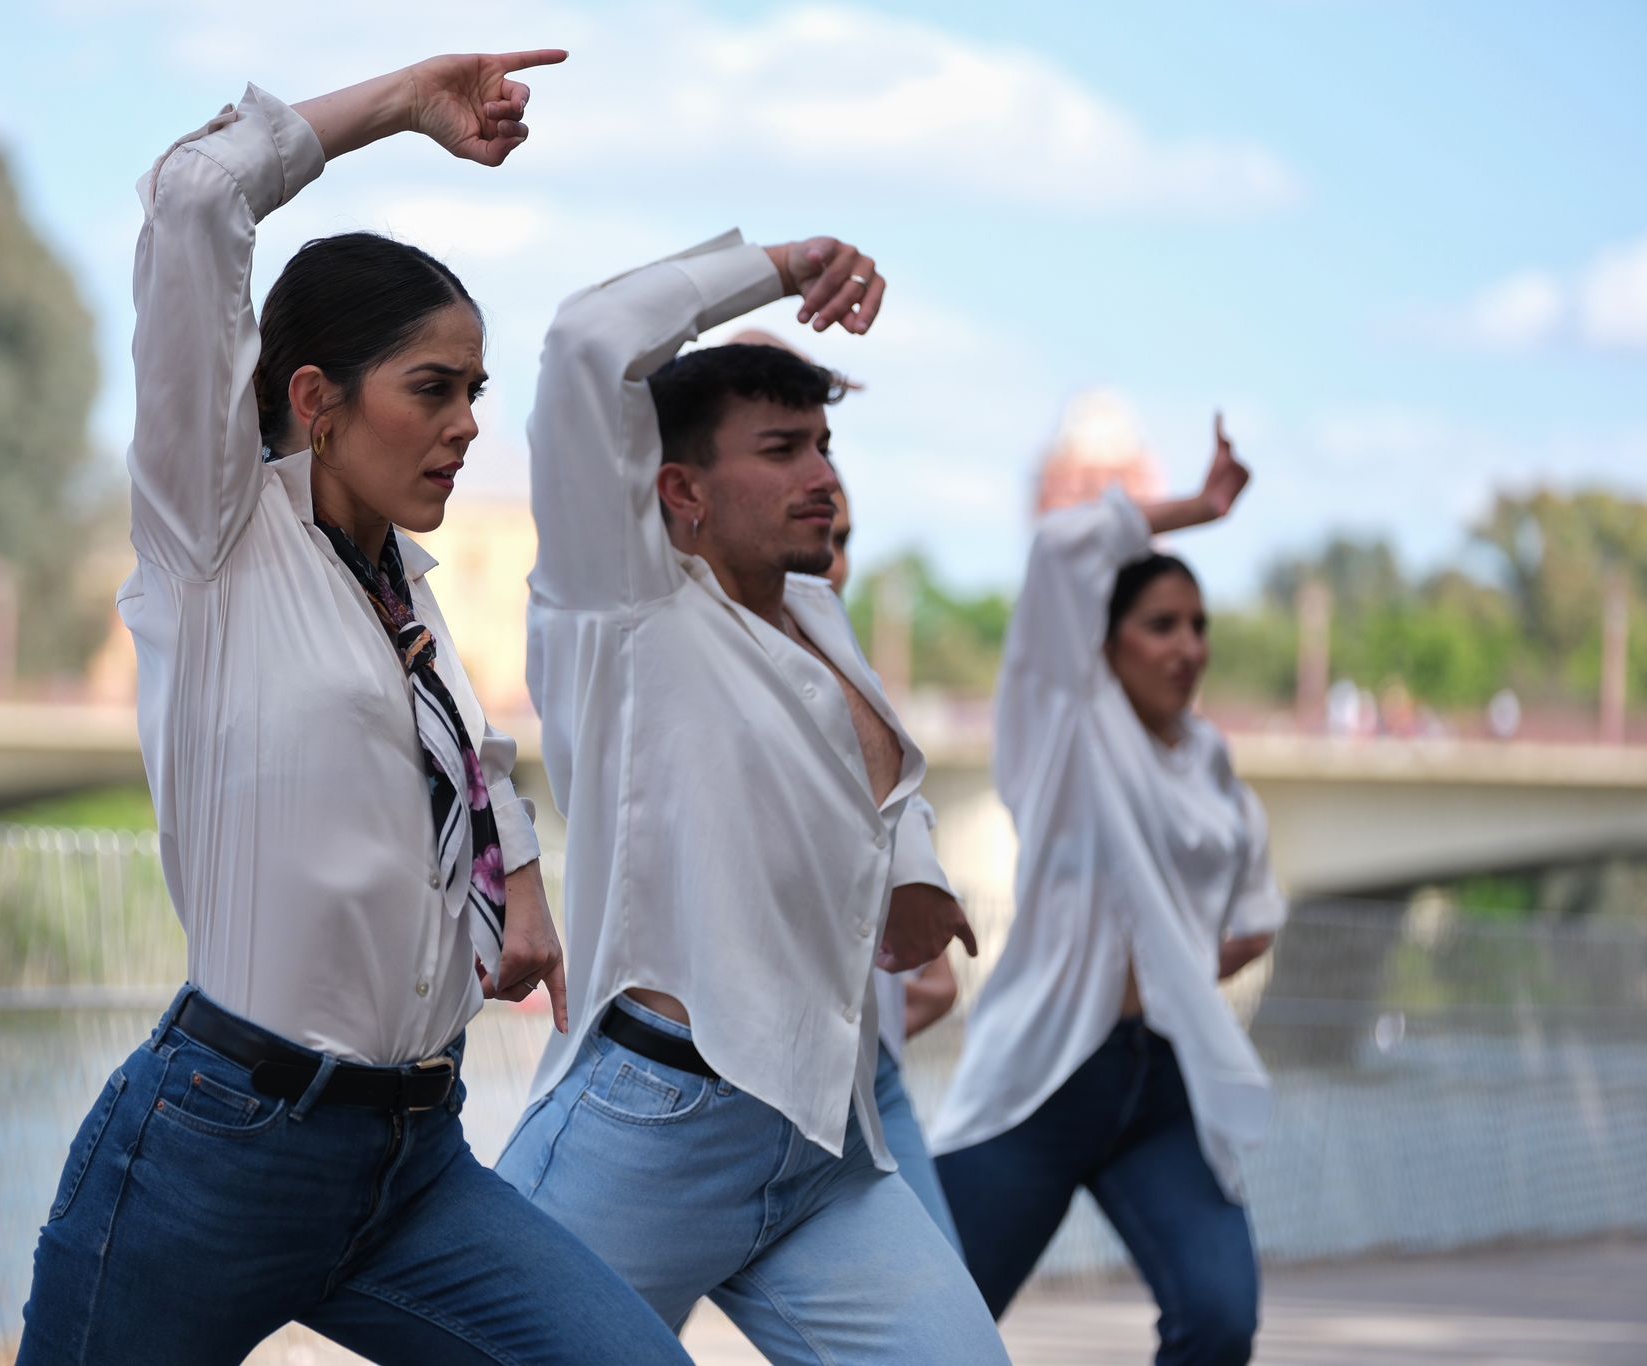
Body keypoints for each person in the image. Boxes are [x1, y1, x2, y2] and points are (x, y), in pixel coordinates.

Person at [17, 55, 688, 1365]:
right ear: (316, 400)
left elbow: (472, 751)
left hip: (409, 1165)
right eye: (433, 387)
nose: (466, 425)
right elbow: (196, 196)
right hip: (217, 1151)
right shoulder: (215, 542)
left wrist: (528, 882)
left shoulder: (403, 592)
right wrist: (399, 108)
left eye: (476, 392)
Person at [496, 232, 1008, 1363]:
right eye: (781, 449)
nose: (822, 475)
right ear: (677, 489)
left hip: (819, 1144)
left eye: (823, 445)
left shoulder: (814, 614)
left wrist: (915, 880)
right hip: (651, 1126)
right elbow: (586, 341)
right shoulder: (620, 605)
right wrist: (785, 266)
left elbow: (870, 783)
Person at [929, 419, 1286, 1366]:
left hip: (1164, 1082)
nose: (1187, 647)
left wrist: (1174, 965)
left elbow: (1256, 919)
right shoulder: (1064, 728)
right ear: (1106, 641)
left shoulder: (1214, 769)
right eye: (1161, 625)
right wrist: (1202, 510)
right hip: (1045, 1075)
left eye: (1199, 626)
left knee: (1219, 1321)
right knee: (929, 1335)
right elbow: (1059, 546)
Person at [730, 326, 964, 1251]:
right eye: (782, 450)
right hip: (704, 1082)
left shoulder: (839, 655)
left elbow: (932, 972)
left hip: (863, 1081)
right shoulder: (664, 642)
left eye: (847, 538)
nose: (831, 554)